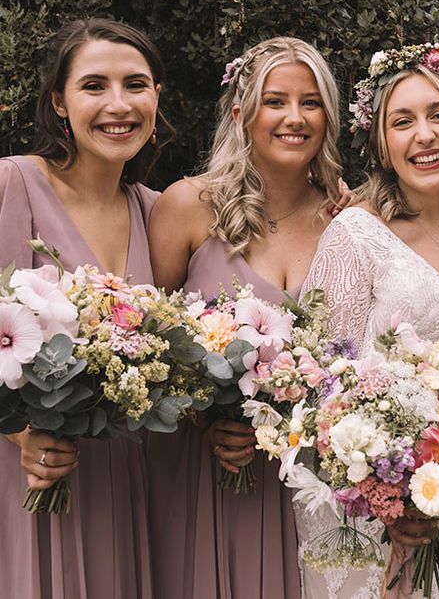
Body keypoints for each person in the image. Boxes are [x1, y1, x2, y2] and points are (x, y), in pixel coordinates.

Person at [298, 42, 439, 598]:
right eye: (403, 121)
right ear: (382, 144)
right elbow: (320, 379)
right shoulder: (353, 236)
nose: (425, 135)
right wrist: (382, 485)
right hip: (376, 506)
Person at [146, 36, 344, 598]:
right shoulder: (186, 205)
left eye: (311, 102)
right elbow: (150, 343)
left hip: (304, 476)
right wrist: (205, 420)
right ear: (241, 113)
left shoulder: (346, 216)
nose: (295, 118)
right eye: (275, 101)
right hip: (202, 466)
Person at [0, 18, 166, 598]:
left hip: (123, 485)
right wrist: (21, 432)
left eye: (135, 85)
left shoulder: (158, 212)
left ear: (157, 99)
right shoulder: (11, 184)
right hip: (24, 479)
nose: (118, 105)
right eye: (94, 85)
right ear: (59, 103)